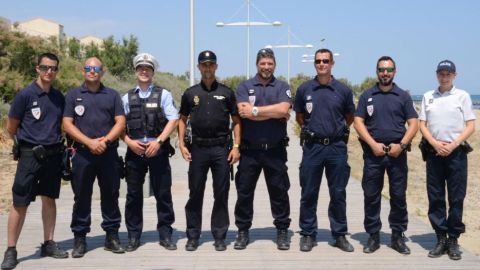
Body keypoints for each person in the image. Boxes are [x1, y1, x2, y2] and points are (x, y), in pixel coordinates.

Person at [1, 53, 68, 270]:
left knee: (49, 199)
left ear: (57, 71)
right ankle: (11, 250)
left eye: (53, 68)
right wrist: (23, 145)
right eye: (45, 67)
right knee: (20, 203)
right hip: (30, 155)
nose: (49, 71)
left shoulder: (59, 97)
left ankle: (48, 243)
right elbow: (11, 127)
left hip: (53, 155)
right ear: (37, 69)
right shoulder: (25, 95)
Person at [354, 56, 418, 255]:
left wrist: (402, 144)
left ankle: (397, 236)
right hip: (373, 154)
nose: (385, 73)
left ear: (394, 72)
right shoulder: (367, 95)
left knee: (398, 196)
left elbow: (414, 123)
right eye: (382, 69)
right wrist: (372, 144)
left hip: (398, 154)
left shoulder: (403, 96)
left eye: (389, 70)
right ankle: (373, 236)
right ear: (376, 72)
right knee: (371, 196)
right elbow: (358, 121)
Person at [63, 57, 126, 258]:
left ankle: (112, 236)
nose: (92, 71)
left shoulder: (113, 95)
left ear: (102, 72)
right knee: (81, 196)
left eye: (96, 68)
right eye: (89, 68)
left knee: (111, 194)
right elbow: (67, 124)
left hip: (108, 154)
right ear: (83, 71)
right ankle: (80, 238)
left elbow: (120, 122)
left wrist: (105, 142)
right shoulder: (73, 95)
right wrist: (90, 143)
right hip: (82, 154)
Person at [178, 50, 241, 252]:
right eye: (204, 65)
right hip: (198, 149)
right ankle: (193, 235)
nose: (207, 68)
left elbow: (237, 121)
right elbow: (182, 119)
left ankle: (220, 235)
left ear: (216, 66)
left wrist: (237, 147)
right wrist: (181, 143)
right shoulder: (190, 93)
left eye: (211, 65)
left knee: (221, 193)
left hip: (221, 149)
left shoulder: (227, 92)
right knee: (195, 192)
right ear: (198, 67)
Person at [294, 48, 356, 252]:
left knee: (338, 193)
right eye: (318, 61)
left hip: (337, 148)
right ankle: (308, 234)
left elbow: (350, 116)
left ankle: (339, 235)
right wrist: (312, 130)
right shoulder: (305, 89)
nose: (322, 64)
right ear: (315, 64)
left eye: (325, 61)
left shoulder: (344, 90)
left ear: (332, 63)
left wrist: (337, 130)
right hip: (313, 147)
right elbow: (300, 115)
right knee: (309, 192)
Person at [233, 48, 291, 250]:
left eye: (270, 63)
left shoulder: (282, 86)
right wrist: (272, 112)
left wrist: (255, 111)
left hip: (275, 150)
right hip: (250, 151)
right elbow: (242, 112)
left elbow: (284, 110)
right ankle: (242, 231)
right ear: (257, 64)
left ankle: (282, 231)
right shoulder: (244, 86)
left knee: (279, 192)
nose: (266, 67)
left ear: (275, 65)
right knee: (244, 193)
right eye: (263, 63)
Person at [121, 53, 179, 252]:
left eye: (147, 68)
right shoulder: (126, 97)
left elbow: (173, 119)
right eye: (140, 68)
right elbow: (119, 125)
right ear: (136, 71)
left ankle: (165, 234)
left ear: (153, 72)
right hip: (134, 151)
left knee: (163, 194)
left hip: (158, 150)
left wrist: (160, 141)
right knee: (133, 195)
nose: (144, 71)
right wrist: (128, 142)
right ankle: (133, 236)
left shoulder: (163, 95)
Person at [419, 60, 476, 260]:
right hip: (434, 152)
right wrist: (435, 144)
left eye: (448, 74)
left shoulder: (462, 96)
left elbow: (470, 126)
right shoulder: (428, 97)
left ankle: (453, 239)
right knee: (435, 197)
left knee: (456, 197)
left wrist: (453, 145)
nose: (444, 77)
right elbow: (422, 125)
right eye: (441, 73)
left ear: (454, 75)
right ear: (436, 75)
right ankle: (440, 237)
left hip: (456, 152)